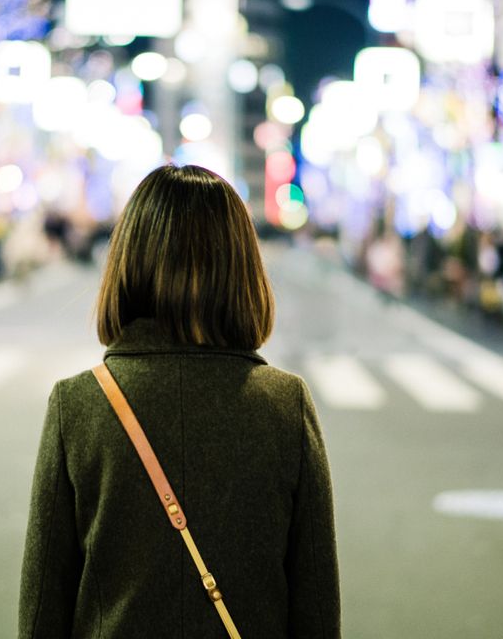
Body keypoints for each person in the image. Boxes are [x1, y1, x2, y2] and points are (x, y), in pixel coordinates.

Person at [18, 165, 341, 638]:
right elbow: (315, 609)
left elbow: (44, 608)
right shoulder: (284, 405)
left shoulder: (80, 403)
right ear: (241, 270)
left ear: (128, 265)